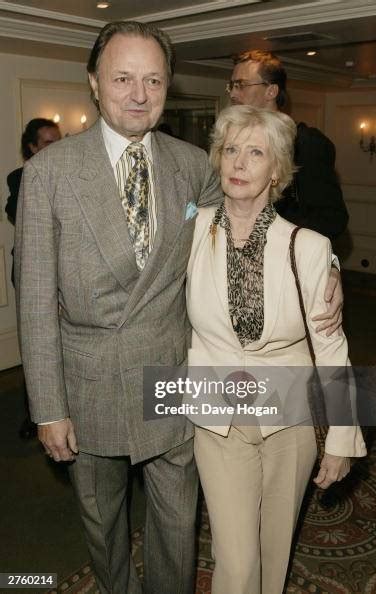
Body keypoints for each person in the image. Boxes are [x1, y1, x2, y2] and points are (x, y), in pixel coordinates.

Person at [14, 21, 222, 594]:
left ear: (168, 86)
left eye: (153, 80)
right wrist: (48, 407)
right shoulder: (48, 175)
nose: (139, 94)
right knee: (103, 521)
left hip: (170, 373)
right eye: (123, 78)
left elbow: (232, 241)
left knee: (178, 521)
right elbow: (34, 299)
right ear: (94, 83)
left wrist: (312, 264)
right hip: (89, 382)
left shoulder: (193, 165)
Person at [186, 104, 366, 594]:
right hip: (216, 414)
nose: (239, 163)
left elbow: (331, 345)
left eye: (255, 152)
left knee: (274, 552)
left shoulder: (307, 246)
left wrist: (340, 439)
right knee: (238, 562)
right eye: (230, 150)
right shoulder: (191, 229)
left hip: (290, 417)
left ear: (276, 170)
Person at [229, 50, 347, 334]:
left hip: (290, 283)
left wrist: (330, 266)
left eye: (241, 85)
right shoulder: (231, 143)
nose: (233, 94)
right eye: (231, 85)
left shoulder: (305, 144)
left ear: (271, 91)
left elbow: (331, 220)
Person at [5, 117, 61, 439]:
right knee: (36, 340)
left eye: (59, 141)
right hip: (31, 272)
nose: (58, 148)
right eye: (49, 143)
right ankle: (36, 412)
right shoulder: (19, 178)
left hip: (65, 272)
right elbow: (15, 211)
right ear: (33, 147)